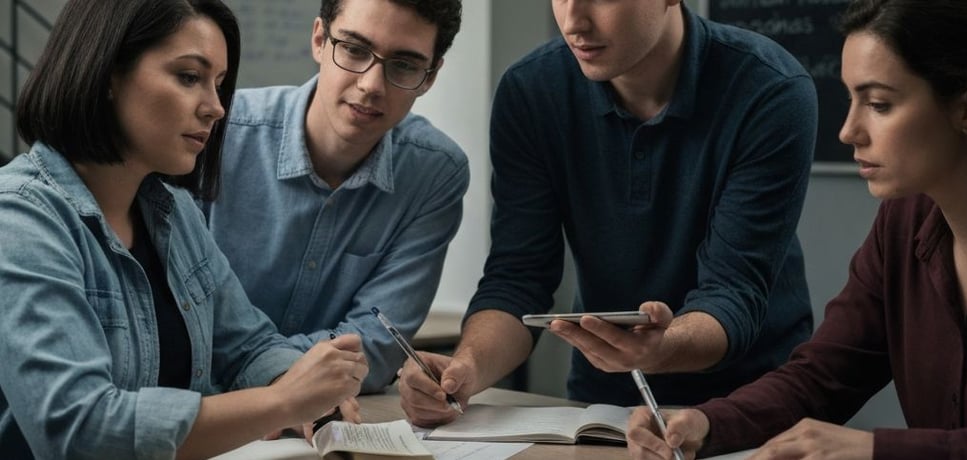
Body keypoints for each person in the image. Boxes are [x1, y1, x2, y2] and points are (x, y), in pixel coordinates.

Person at [399, 0, 818, 425]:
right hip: (605, 405)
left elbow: (734, 293)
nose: (572, 21)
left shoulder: (769, 87)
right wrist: (465, 371)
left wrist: (660, 348)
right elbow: (517, 278)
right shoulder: (532, 91)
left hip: (754, 403)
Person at [0, 0, 369, 458]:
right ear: (107, 74)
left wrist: (308, 393)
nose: (215, 108)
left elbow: (247, 344)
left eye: (218, 85)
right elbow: (77, 427)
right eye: (189, 77)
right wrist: (283, 399)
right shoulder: (17, 219)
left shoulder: (172, 210)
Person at [626, 0, 967, 458]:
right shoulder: (901, 224)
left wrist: (877, 450)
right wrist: (706, 422)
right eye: (851, 99)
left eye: (878, 104)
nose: (848, 131)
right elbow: (824, 375)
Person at [201, 0, 468, 394]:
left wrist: (263, 374)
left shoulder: (434, 172)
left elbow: (376, 349)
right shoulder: (216, 132)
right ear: (319, 40)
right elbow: (181, 329)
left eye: (404, 65)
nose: (371, 85)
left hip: (331, 424)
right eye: (355, 50)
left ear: (429, 77)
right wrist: (276, 382)